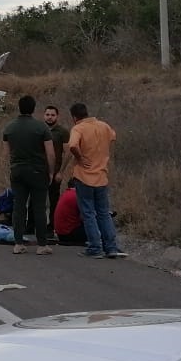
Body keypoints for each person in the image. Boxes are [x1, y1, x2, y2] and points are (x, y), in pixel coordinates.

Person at [68, 102, 125, 259]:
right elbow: (113, 136)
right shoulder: (103, 126)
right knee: (103, 213)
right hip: (101, 175)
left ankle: (95, 247)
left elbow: (72, 145)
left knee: (88, 213)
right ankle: (111, 247)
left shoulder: (78, 128)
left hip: (84, 176)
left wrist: (80, 157)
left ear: (74, 117)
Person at [1, 95, 54, 255]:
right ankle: (42, 244)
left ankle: (18, 243)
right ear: (33, 108)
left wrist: (11, 168)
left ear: (19, 108)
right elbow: (50, 153)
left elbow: (6, 153)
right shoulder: (41, 127)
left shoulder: (9, 127)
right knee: (39, 207)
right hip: (37, 170)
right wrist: (51, 171)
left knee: (19, 206)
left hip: (17, 170)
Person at [43, 105, 69, 229]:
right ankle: (32, 225)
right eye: (47, 114)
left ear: (57, 116)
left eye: (52, 115)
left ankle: (52, 226)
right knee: (36, 200)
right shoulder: (40, 129)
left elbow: (68, 152)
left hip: (55, 171)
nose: (50, 117)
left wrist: (61, 172)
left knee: (54, 201)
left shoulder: (62, 132)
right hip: (40, 171)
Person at [51, 179, 87, 246]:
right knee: (94, 226)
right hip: (69, 234)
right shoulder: (76, 196)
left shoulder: (66, 193)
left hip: (61, 234)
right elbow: (85, 216)